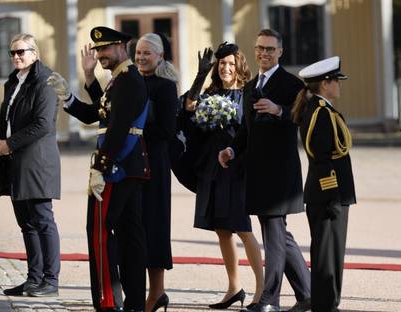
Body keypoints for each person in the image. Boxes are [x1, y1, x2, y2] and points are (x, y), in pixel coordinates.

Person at [47, 26, 149, 312]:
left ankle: (107, 301)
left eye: (105, 49)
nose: (99, 54)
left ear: (121, 47)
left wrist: (101, 167)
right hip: (128, 166)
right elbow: (99, 113)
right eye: (97, 50)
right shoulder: (120, 81)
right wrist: (72, 94)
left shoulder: (128, 81)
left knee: (99, 232)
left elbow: (116, 129)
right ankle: (134, 303)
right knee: (129, 234)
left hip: (117, 166)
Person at [218, 29, 311, 312]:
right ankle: (308, 294)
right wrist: (232, 149)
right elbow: (247, 130)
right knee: (279, 234)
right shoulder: (249, 87)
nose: (264, 53)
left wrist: (278, 110)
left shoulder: (292, 85)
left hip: (280, 174)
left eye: (270, 49)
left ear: (280, 52)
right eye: (260, 48)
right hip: (257, 173)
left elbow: (302, 118)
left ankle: (270, 300)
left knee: (273, 236)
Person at [179, 42, 264, 309]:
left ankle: (263, 291)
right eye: (221, 64)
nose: (226, 68)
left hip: (237, 169)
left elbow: (253, 132)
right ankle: (234, 287)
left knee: (242, 228)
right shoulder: (211, 93)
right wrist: (200, 75)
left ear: (239, 66)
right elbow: (190, 106)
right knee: (221, 230)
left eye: (230, 63)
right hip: (211, 169)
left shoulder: (248, 94)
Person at [0, 33, 61, 297]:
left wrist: (11, 143)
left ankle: (51, 281)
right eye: (12, 53)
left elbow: (44, 123)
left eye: (22, 51)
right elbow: (7, 117)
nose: (16, 57)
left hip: (37, 161)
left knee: (43, 220)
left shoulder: (45, 81)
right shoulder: (14, 81)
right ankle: (34, 279)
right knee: (26, 224)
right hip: (15, 160)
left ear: (35, 53)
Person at [292, 56, 356, 312]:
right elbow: (322, 158)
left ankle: (327, 303)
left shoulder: (321, 109)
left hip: (331, 194)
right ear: (325, 83)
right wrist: (332, 197)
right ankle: (326, 305)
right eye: (336, 81)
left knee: (329, 253)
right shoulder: (320, 112)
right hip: (329, 195)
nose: (339, 85)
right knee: (327, 255)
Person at [134, 33, 178, 312]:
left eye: (147, 53)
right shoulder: (130, 80)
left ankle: (157, 291)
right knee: (135, 228)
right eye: (138, 52)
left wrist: (132, 129)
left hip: (156, 166)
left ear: (160, 56)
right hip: (132, 163)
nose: (141, 57)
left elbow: (166, 130)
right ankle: (138, 291)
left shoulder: (165, 87)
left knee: (155, 226)